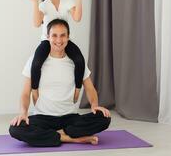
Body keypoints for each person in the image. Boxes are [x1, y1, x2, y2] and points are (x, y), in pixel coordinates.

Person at [9, 19, 111, 147]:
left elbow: (90, 88)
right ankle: (72, 138)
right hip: (43, 117)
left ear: (68, 37)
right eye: (54, 35)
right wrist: (23, 113)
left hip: (69, 117)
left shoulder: (76, 62)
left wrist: (95, 105)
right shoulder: (34, 61)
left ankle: (54, 136)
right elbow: (25, 93)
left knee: (104, 118)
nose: (59, 40)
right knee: (15, 128)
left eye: (63, 35)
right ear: (48, 37)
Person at [28, 0, 88, 99]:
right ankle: (34, 89)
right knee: (37, 62)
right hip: (48, 41)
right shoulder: (44, 5)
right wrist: (35, 2)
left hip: (64, 40)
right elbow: (37, 23)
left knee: (79, 59)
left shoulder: (67, 1)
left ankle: (77, 89)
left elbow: (77, 18)